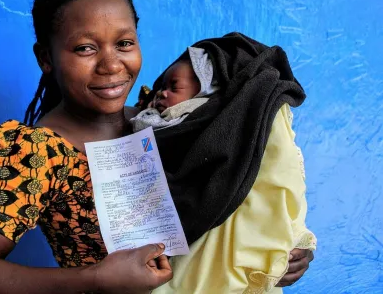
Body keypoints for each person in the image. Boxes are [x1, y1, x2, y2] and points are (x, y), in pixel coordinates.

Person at [0, 0, 313, 294]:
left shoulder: (164, 117)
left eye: (125, 43)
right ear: (46, 58)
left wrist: (283, 247)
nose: (112, 65)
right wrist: (96, 277)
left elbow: (237, 181)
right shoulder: (40, 152)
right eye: (85, 48)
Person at [130, 40, 317, 293]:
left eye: (173, 86)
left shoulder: (250, 130)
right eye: (159, 88)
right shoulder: (151, 137)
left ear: (209, 88)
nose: (160, 94)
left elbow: (282, 184)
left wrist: (295, 238)